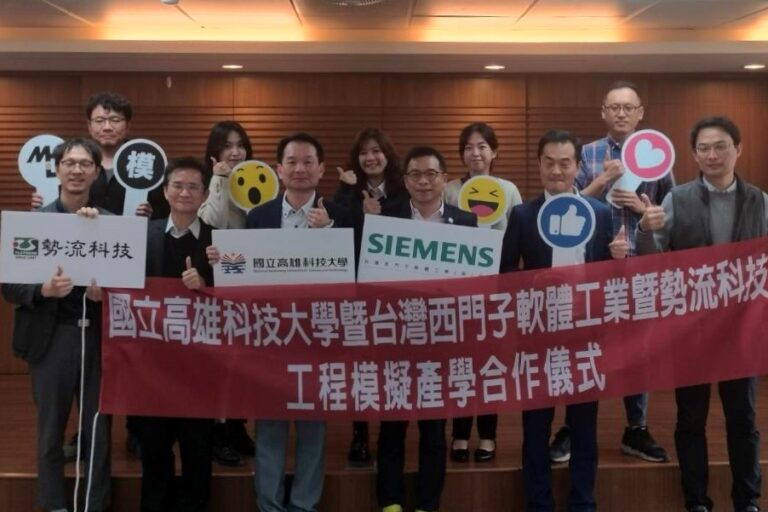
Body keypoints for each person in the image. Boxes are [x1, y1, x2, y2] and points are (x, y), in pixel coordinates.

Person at [208, 132, 348, 512]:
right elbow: (244, 270)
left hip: (319, 336)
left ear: (321, 169)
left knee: (313, 430)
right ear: (279, 170)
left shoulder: (341, 215)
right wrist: (223, 260)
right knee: (269, 427)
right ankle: (268, 505)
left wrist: (329, 233)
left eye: (308, 162)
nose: (300, 169)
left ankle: (304, 505)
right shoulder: (259, 216)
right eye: (292, 162)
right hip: (270, 336)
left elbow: (355, 276)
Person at [636, 115, 765, 512]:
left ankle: (747, 501)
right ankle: (697, 501)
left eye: (720, 146)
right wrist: (645, 229)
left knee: (742, 419)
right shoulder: (677, 199)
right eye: (704, 148)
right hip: (691, 330)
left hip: (741, 330)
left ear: (738, 149)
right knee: (691, 419)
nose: (712, 155)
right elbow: (652, 258)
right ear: (694, 155)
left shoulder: (760, 201)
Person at [550, 80, 673, 465]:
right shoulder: (585, 153)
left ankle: (636, 428)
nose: (621, 113)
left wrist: (640, 208)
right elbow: (564, 206)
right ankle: (573, 426)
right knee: (582, 348)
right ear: (603, 112)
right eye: (614, 107)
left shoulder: (658, 153)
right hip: (590, 270)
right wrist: (603, 180)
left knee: (638, 351)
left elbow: (668, 214)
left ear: (640, 113)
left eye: (628, 107)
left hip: (639, 268)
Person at [501, 130, 618, 512]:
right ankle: (539, 503)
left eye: (564, 163)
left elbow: (612, 279)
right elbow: (504, 274)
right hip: (537, 334)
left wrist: (619, 259)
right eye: (549, 162)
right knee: (536, 428)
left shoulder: (600, 213)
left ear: (578, 166)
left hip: (585, 334)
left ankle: (583, 502)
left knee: (584, 427)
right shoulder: (523, 214)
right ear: (538, 165)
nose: (556, 170)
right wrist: (535, 281)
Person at [2, 138, 112, 512]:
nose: (77, 170)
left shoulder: (112, 225)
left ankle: (95, 503)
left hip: (98, 338)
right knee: (50, 429)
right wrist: (42, 290)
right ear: (56, 169)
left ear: (96, 172)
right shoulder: (33, 223)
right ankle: (53, 504)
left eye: (85, 164)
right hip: (51, 341)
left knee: (98, 430)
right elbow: (10, 287)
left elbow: (131, 285)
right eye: (69, 163)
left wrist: (107, 294)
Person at [376, 146, 477, 512]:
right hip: (396, 337)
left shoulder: (466, 222)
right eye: (415, 174)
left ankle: (427, 503)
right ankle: (390, 501)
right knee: (392, 425)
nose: (423, 181)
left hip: (442, 340)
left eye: (431, 174)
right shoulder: (385, 218)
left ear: (444, 179)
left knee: (434, 430)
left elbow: (474, 283)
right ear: (405, 181)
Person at [132, 157, 215, 512]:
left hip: (201, 365)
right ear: (165, 191)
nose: (184, 192)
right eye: (177, 185)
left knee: (197, 447)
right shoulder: (142, 236)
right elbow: (122, 286)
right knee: (153, 446)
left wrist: (207, 285)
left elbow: (237, 301)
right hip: (151, 363)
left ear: (205, 194)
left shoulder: (218, 241)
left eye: (193, 187)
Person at [446, 122, 523, 463]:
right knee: (461, 363)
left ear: (494, 152)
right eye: (468, 147)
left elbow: (517, 238)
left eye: (482, 146)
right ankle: (460, 434)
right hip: (457, 292)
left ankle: (488, 435)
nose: (475, 153)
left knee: (491, 363)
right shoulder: (449, 190)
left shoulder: (509, 190)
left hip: (496, 290)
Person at [333, 127, 406, 466]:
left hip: (395, 293)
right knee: (360, 365)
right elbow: (338, 232)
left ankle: (391, 434)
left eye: (376, 150)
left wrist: (380, 217)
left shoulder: (403, 189)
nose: (370, 157)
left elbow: (408, 233)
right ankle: (360, 434)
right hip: (357, 291)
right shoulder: (348, 190)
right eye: (363, 152)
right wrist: (348, 193)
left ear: (387, 155)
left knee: (392, 363)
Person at [197, 121, 256, 467]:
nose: (235, 152)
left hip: (248, 285)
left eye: (240, 145)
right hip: (216, 283)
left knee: (243, 363)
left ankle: (236, 425)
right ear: (215, 151)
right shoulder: (205, 182)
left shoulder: (257, 177)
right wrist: (219, 180)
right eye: (227, 146)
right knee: (219, 363)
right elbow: (212, 223)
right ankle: (216, 432)